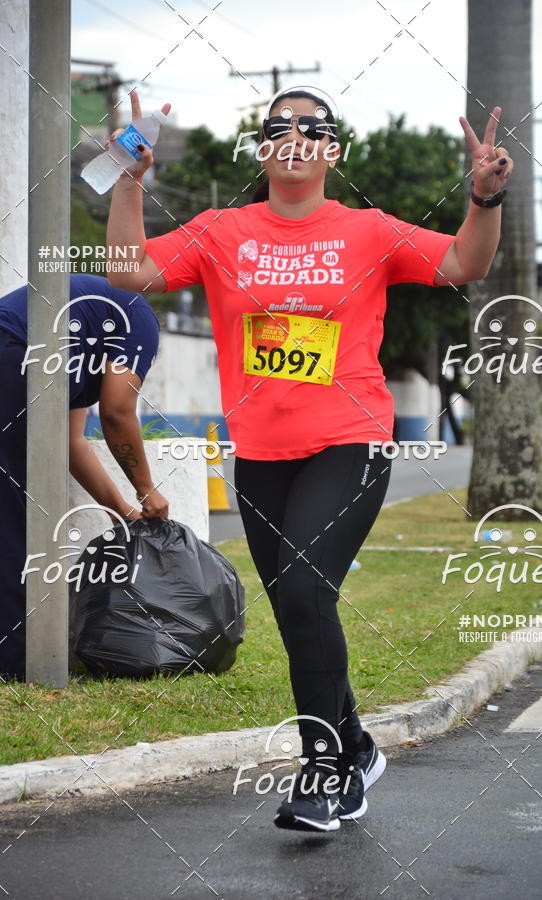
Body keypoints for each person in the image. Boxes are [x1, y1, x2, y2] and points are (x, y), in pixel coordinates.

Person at [105, 87, 513, 832]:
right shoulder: (222, 230)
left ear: (333, 150)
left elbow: (462, 262)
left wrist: (485, 199)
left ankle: (326, 772)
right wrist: (131, 182)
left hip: (349, 441)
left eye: (313, 127)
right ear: (262, 149)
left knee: (300, 591)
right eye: (278, 127)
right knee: (300, 611)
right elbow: (131, 272)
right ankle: (354, 742)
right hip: (258, 454)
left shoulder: (368, 231)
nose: (294, 136)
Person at [0, 274, 169, 682]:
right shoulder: (137, 316)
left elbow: (70, 441)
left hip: (14, 353)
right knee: (11, 523)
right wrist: (147, 489)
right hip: (9, 357)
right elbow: (117, 411)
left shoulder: (86, 328)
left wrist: (122, 510)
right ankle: (13, 664)